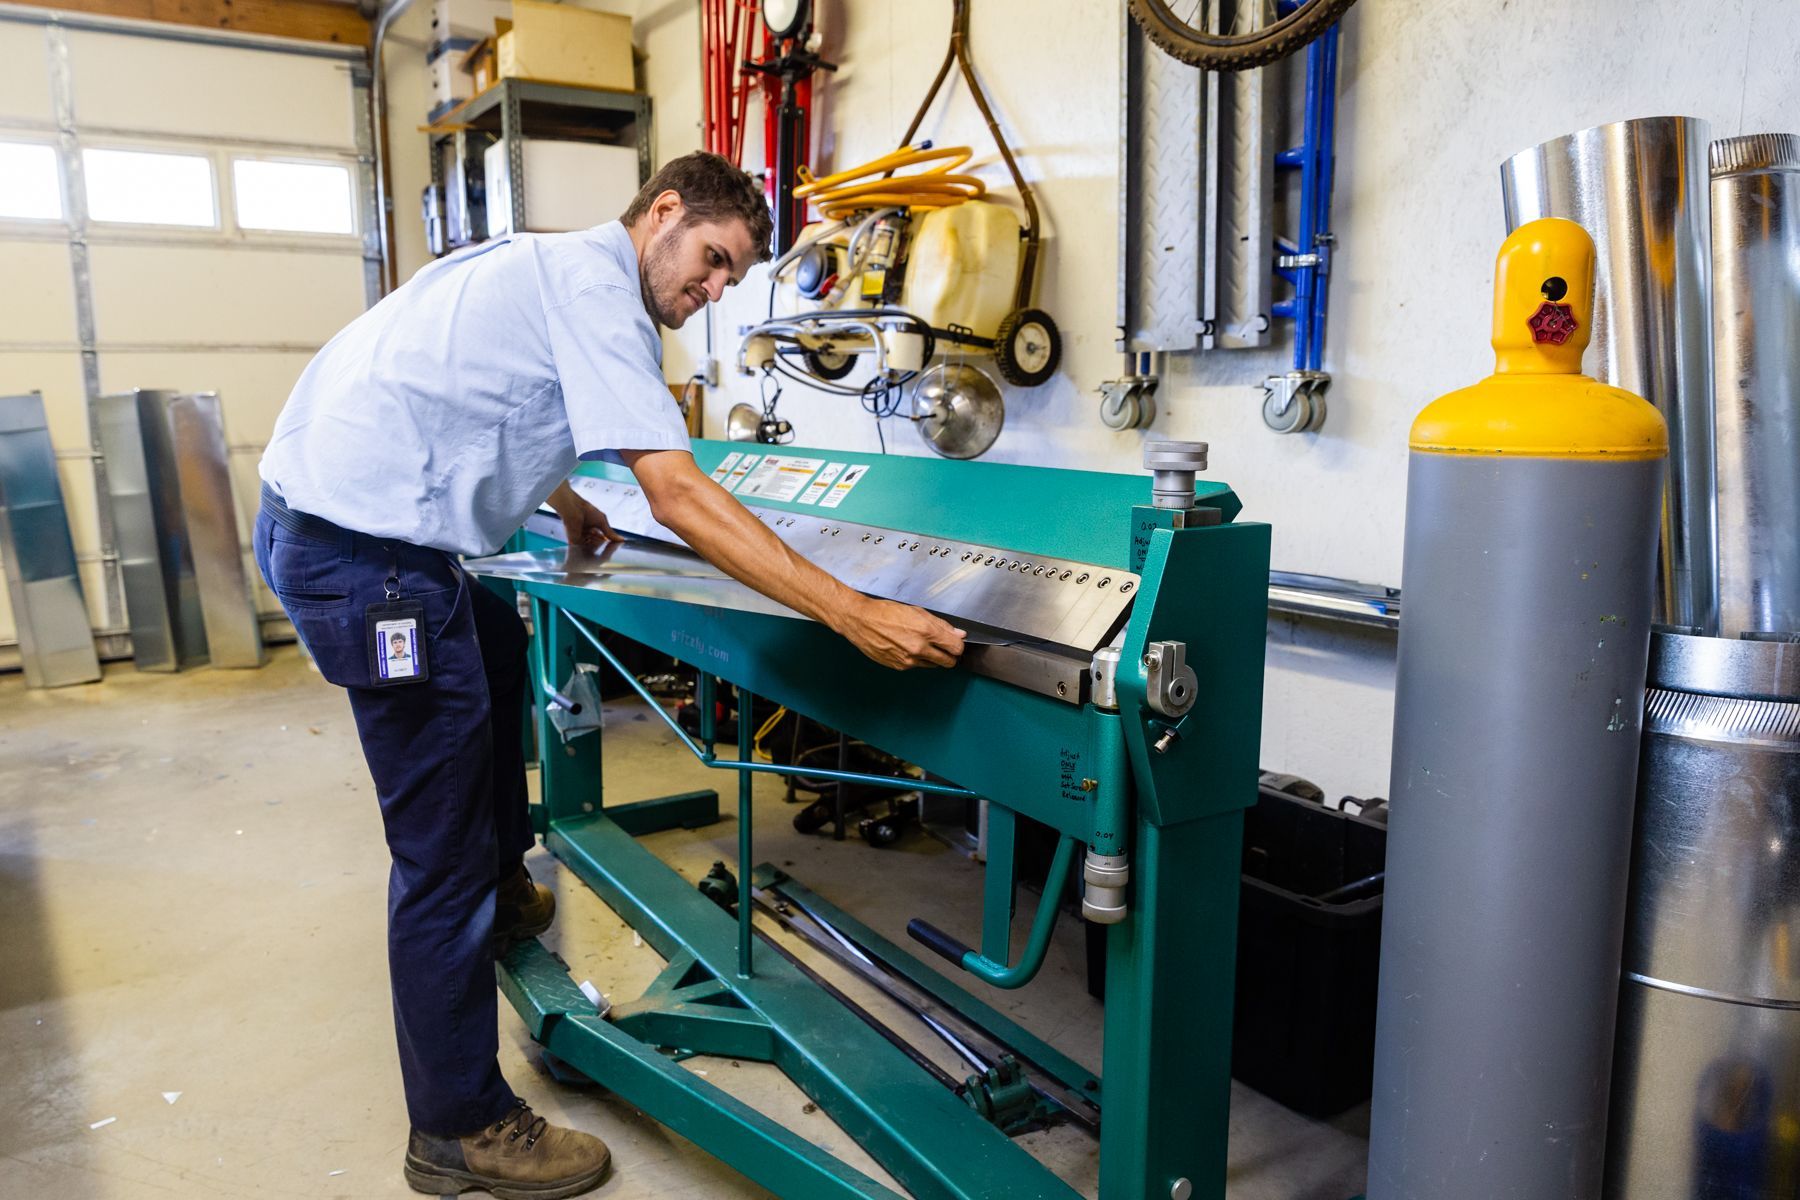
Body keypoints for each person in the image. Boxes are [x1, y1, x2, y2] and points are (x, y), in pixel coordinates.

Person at [254, 151, 965, 1200]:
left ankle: (503, 889)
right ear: (663, 212)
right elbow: (677, 493)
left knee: (493, 648)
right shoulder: (602, 292)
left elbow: (489, 397)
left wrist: (567, 502)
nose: (713, 292)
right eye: (713, 261)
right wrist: (849, 611)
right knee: (435, 851)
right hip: (367, 561)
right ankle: (458, 1130)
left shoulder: (550, 267)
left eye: (729, 281)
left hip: (344, 527)